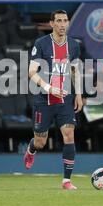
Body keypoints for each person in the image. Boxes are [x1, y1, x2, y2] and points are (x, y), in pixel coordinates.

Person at [24, 10, 83, 190]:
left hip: (65, 99)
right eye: (58, 21)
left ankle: (66, 181)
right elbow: (31, 72)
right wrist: (49, 88)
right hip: (44, 100)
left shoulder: (73, 45)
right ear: (51, 24)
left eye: (65, 21)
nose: (62, 24)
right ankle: (31, 149)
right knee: (41, 141)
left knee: (69, 135)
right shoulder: (41, 44)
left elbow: (75, 70)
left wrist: (79, 94)